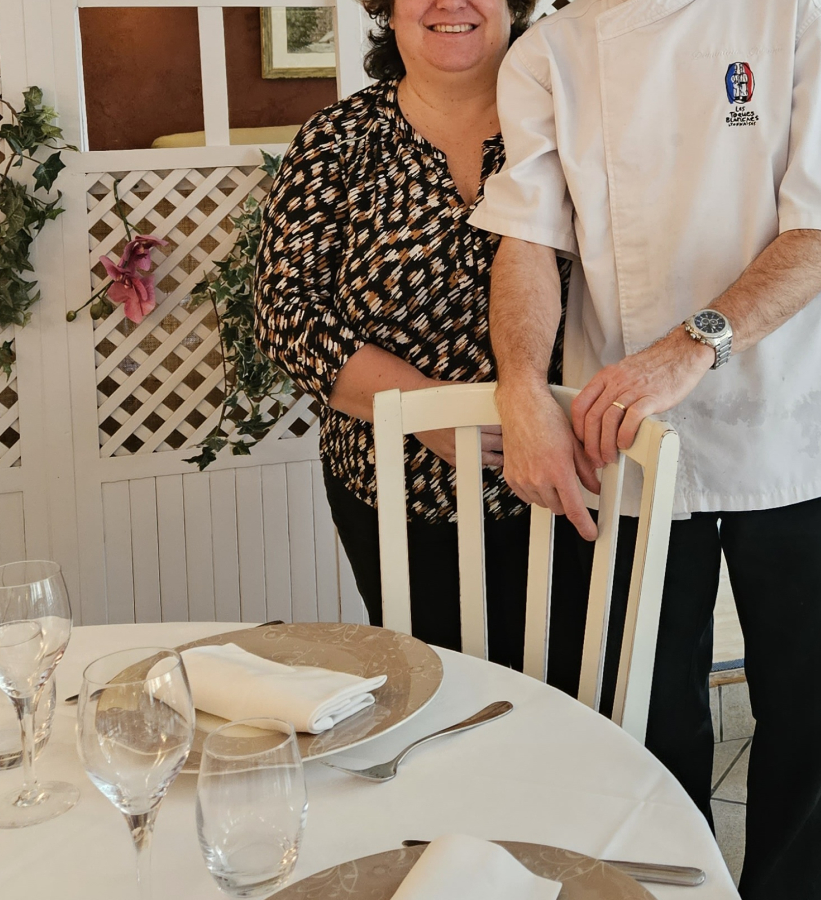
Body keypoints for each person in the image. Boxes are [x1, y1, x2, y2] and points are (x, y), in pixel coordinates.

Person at [469, 0, 821, 896]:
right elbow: (527, 238)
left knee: (805, 715)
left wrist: (689, 347)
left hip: (793, 418)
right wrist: (520, 384)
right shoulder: (549, 52)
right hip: (624, 435)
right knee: (646, 716)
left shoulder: (799, 18)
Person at [255, 0, 588, 682]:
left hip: (572, 485)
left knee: (575, 708)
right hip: (399, 496)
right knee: (441, 704)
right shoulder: (337, 139)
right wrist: (426, 409)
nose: (450, 3)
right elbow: (287, 314)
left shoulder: (574, 124)